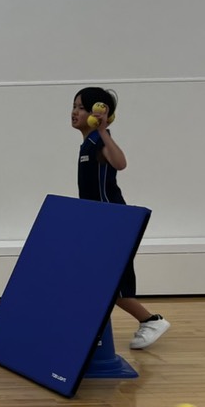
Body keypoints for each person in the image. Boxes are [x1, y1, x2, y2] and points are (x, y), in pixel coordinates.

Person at [71, 86, 170, 350]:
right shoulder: (87, 144)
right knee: (99, 282)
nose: (75, 112)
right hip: (99, 223)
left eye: (82, 108)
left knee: (113, 286)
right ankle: (94, 332)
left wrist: (103, 131)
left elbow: (120, 163)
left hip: (113, 223)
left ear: (98, 114)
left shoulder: (100, 141)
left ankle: (151, 321)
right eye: (74, 106)